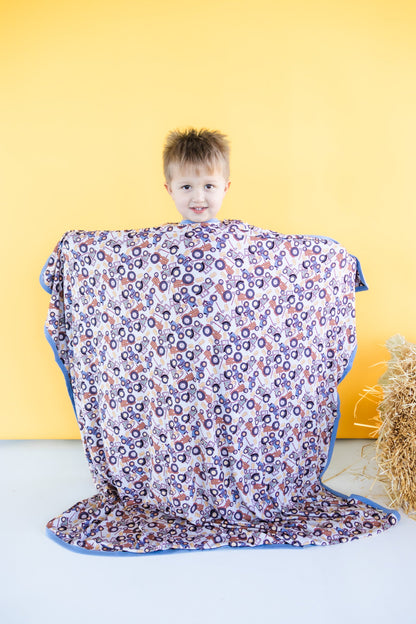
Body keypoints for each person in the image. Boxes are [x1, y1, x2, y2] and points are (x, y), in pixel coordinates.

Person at [163, 127, 231, 224]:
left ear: (225, 188)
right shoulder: (161, 237)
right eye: (186, 187)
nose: (198, 198)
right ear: (170, 190)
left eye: (209, 186)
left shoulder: (242, 236)